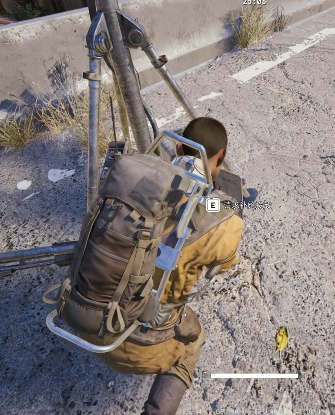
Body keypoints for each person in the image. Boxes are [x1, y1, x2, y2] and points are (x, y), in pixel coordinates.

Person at [81, 117, 245, 414]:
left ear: (179, 147)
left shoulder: (132, 177)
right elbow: (226, 261)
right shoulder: (221, 221)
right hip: (134, 346)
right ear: (221, 157)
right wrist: (227, 205)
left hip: (86, 317)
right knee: (194, 341)